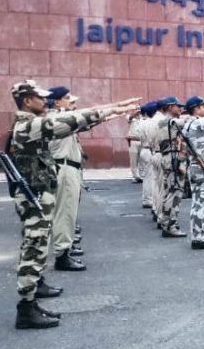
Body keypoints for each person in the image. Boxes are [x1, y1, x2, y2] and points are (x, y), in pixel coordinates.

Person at [8, 80, 136, 329]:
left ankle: (32, 297)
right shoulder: (29, 124)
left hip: (38, 193)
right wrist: (113, 109)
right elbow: (72, 121)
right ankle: (26, 308)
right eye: (39, 97)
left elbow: (76, 118)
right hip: (34, 196)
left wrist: (113, 108)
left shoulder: (31, 122)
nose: (44, 101)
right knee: (34, 247)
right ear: (26, 100)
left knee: (37, 244)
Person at [45, 87, 87, 271]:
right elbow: (89, 118)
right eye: (68, 99)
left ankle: (65, 248)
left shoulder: (59, 118)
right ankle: (62, 254)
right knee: (65, 212)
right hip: (64, 167)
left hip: (68, 167)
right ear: (57, 101)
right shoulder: (58, 118)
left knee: (66, 212)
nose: (72, 103)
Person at [181, 95, 204, 249]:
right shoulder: (199, 123)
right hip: (202, 167)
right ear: (196, 108)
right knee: (203, 204)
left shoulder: (187, 124)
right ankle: (199, 238)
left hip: (194, 166)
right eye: (203, 107)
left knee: (197, 203)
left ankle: (197, 235)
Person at [154, 96, 188, 238]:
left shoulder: (163, 122)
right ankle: (170, 225)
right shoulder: (170, 122)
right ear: (169, 107)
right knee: (175, 192)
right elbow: (187, 122)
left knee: (169, 191)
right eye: (177, 106)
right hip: (173, 158)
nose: (180, 108)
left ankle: (164, 220)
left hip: (167, 157)